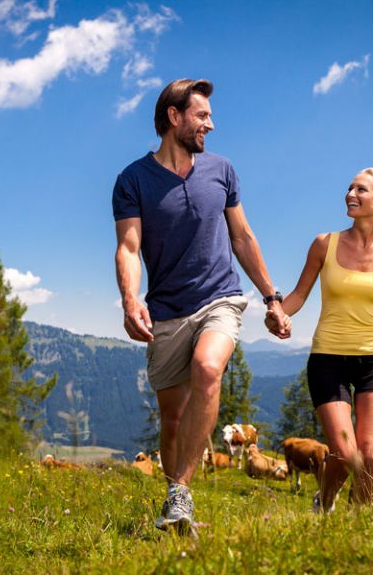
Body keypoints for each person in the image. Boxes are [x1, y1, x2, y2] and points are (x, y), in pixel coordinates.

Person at [113, 78, 290, 535]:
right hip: (166, 310)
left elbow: (242, 237)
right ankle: (177, 506)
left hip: (221, 298)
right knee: (172, 420)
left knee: (208, 370)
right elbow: (129, 248)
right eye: (202, 115)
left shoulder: (222, 170)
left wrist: (272, 298)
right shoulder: (133, 179)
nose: (211, 124)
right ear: (175, 118)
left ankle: (181, 494)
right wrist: (130, 299)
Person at [267, 167, 373, 510]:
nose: (350, 194)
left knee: (369, 456)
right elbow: (297, 295)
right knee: (345, 452)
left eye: (361, 190)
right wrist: (279, 312)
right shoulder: (325, 244)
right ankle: (323, 503)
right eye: (350, 188)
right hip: (328, 360)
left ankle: (362, 528)